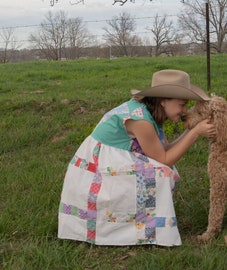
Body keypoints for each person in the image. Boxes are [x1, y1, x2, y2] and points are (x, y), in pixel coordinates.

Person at [58, 69, 215, 246]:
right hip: (97, 166)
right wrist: (195, 133)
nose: (185, 110)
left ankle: (145, 225)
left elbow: (166, 149)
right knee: (160, 172)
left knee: (161, 170)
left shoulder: (152, 114)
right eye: (182, 105)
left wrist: (191, 129)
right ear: (163, 101)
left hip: (116, 157)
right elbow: (164, 158)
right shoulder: (141, 120)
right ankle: (135, 228)